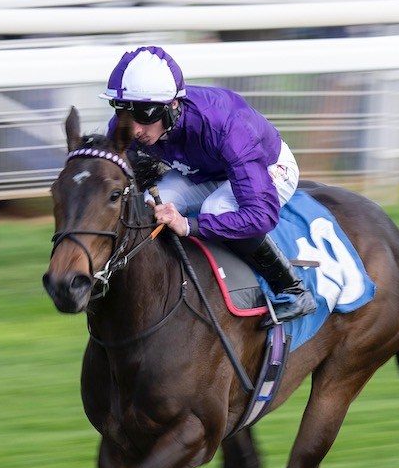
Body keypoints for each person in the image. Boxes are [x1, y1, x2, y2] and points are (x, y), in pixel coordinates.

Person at [101, 45, 318, 321]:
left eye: (146, 114)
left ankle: (292, 288)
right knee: (146, 206)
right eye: (123, 112)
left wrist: (189, 225)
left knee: (215, 209)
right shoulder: (127, 126)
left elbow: (260, 216)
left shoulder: (227, 126)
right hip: (203, 169)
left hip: (268, 165)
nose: (135, 129)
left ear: (172, 106)